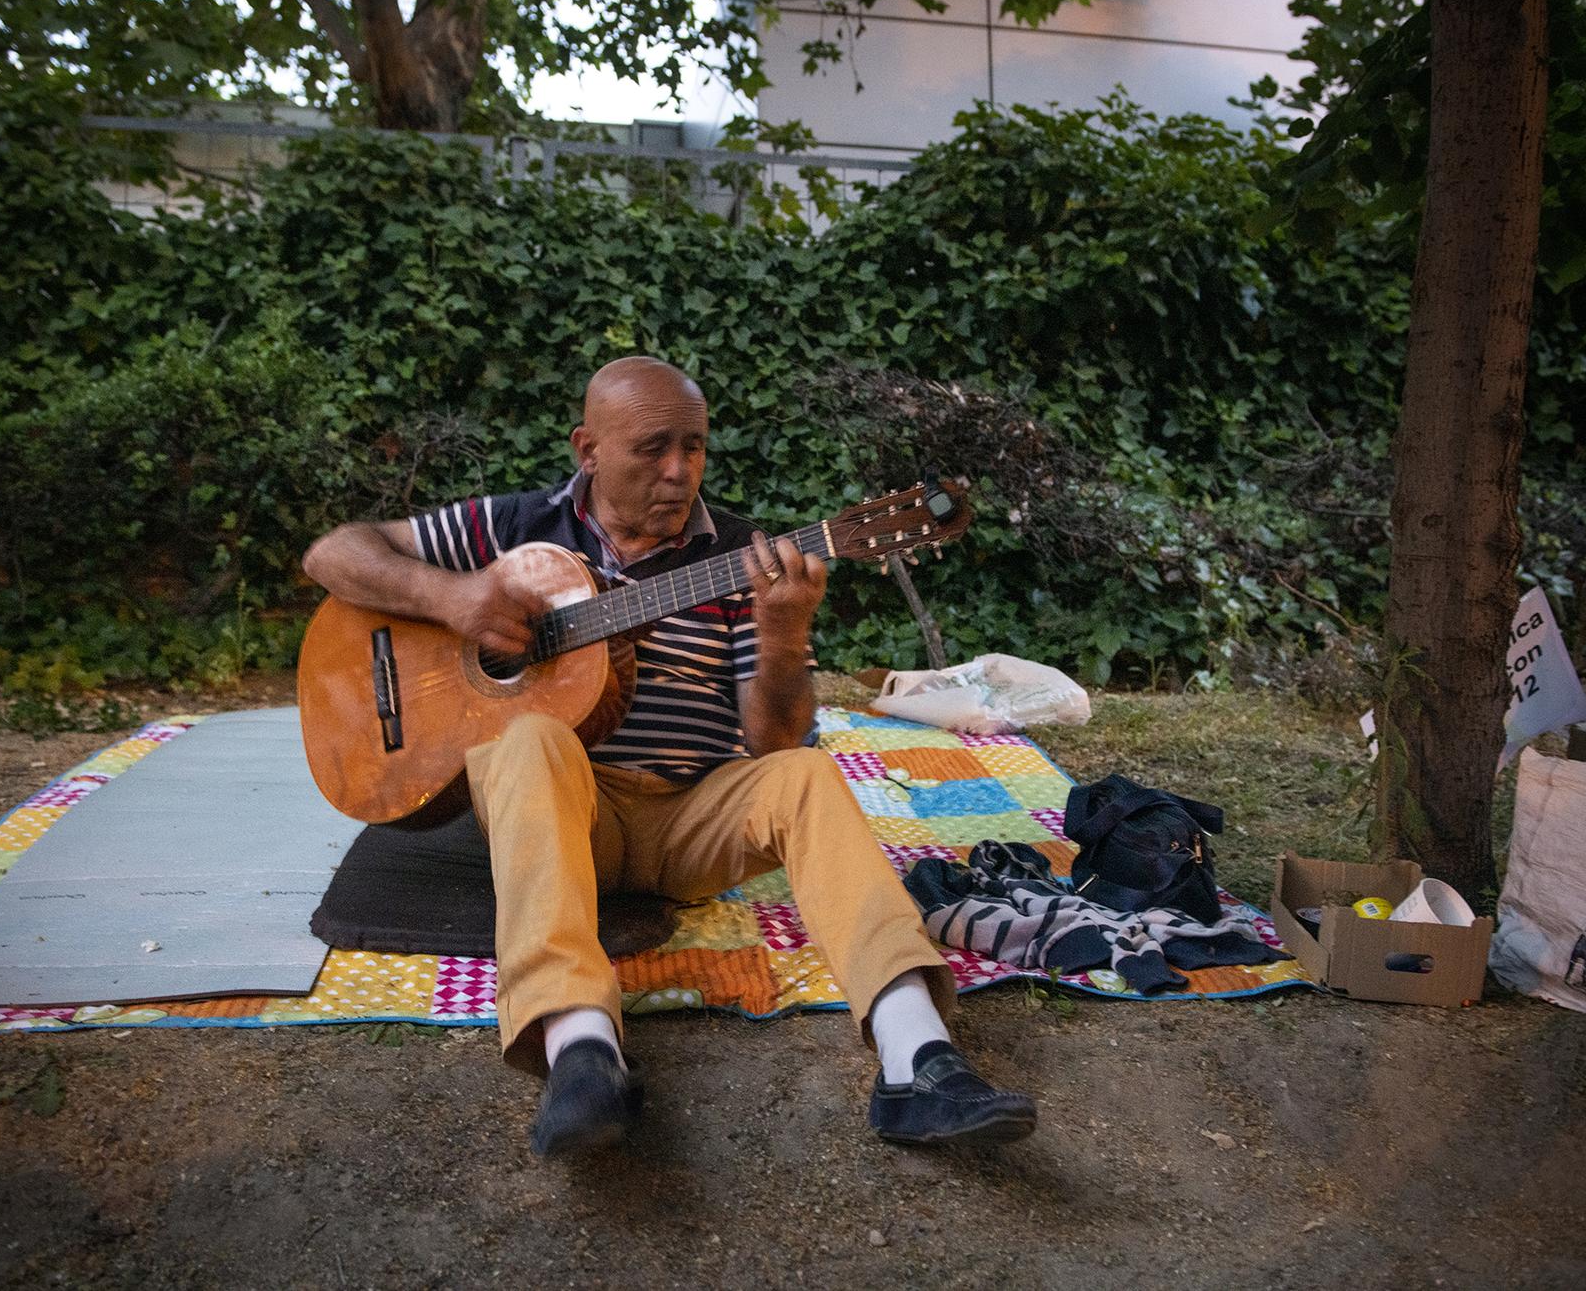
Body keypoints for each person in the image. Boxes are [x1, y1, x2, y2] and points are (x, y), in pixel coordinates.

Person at [302, 356, 1036, 1155]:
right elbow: (334, 555)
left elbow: (774, 742)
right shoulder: (512, 528)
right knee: (528, 737)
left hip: (690, 817)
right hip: (560, 811)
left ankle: (916, 1055)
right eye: (652, 448)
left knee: (808, 773)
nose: (679, 471)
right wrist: (451, 597)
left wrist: (782, 632)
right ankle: (581, 1050)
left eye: (694, 447)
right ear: (587, 449)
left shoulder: (741, 557)